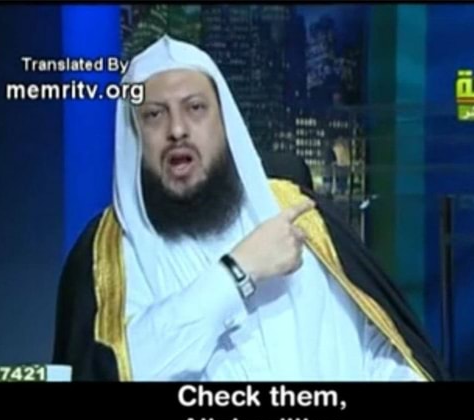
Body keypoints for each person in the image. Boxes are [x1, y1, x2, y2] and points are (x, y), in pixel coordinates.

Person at [53, 35, 447, 382]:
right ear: (134, 136)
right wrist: (236, 273)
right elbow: (116, 371)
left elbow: (384, 351)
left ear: (225, 122)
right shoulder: (109, 254)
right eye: (155, 115)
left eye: (195, 108)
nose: (177, 130)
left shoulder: (300, 216)